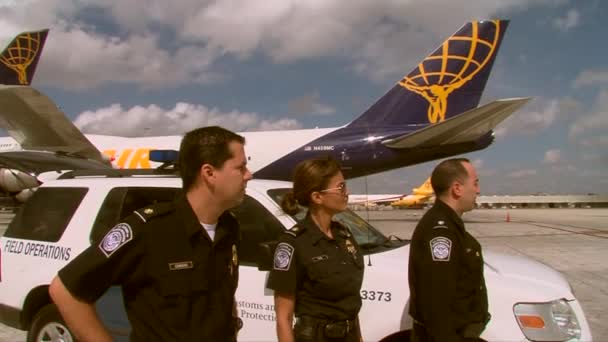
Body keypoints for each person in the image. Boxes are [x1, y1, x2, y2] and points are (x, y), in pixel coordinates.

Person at [49, 126, 252, 342]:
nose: (249, 174)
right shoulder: (148, 230)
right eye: (241, 168)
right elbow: (65, 290)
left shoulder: (228, 228)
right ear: (209, 173)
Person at [267, 156, 364, 342]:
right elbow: (283, 318)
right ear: (317, 197)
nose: (347, 192)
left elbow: (349, 302)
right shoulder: (293, 243)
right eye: (341, 187)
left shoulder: (344, 235)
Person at [408, 158, 491, 342]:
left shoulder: (450, 226)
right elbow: (437, 304)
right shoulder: (440, 232)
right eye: (475, 183)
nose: (478, 190)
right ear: (457, 189)